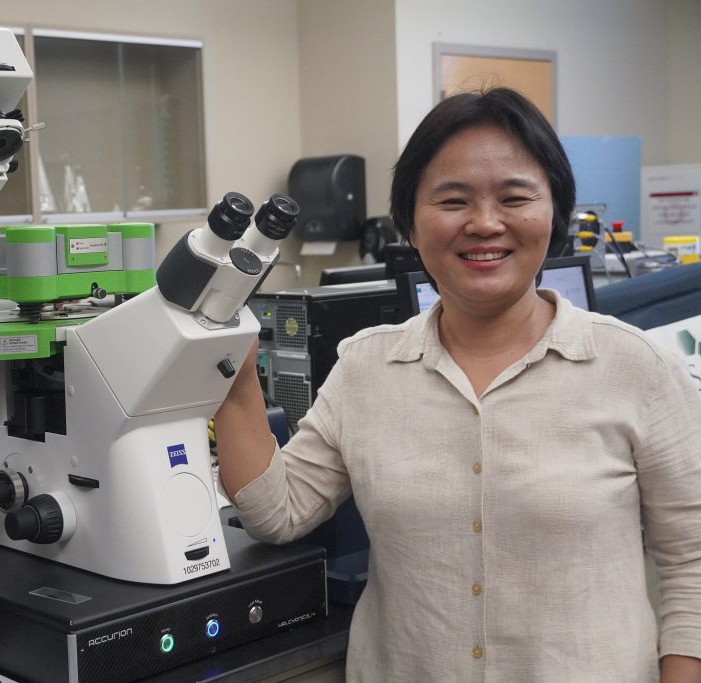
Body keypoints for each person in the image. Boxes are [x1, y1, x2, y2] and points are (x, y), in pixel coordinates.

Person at [214, 87, 701, 682]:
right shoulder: (367, 369)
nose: (485, 223)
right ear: (411, 225)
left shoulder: (634, 367)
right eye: (452, 200)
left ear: (555, 215)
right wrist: (233, 379)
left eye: (515, 197)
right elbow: (278, 512)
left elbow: (692, 562)